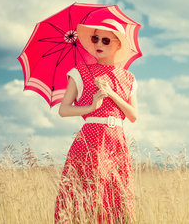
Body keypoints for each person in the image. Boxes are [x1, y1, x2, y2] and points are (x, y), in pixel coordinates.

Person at [54, 19, 138, 223]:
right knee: (89, 192)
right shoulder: (80, 72)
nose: (99, 44)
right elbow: (63, 110)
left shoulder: (129, 78)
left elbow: (133, 115)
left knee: (117, 195)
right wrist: (91, 107)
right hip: (90, 139)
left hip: (117, 141)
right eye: (95, 38)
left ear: (118, 44)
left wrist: (111, 94)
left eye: (106, 40)